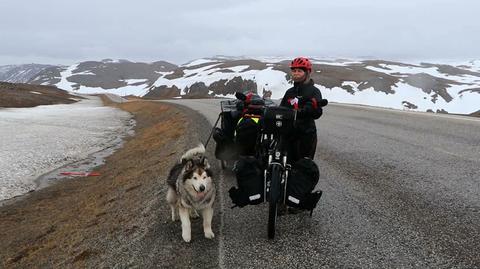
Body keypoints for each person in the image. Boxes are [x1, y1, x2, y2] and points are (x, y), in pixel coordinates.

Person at [280, 57, 324, 162]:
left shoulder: (314, 91)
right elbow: (282, 108)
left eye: (299, 71)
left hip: (306, 134)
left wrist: (309, 109)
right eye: (294, 71)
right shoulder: (289, 92)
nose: (296, 73)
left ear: (307, 72)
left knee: (303, 166)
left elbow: (317, 113)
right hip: (288, 133)